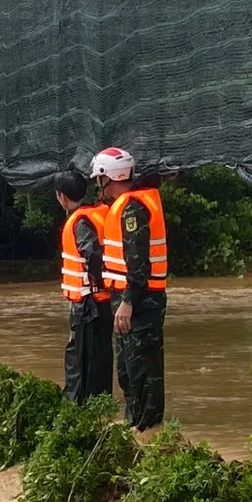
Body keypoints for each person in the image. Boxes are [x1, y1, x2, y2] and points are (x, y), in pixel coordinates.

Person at [92, 147, 168, 434]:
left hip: (139, 300)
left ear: (107, 177)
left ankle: (148, 429)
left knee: (143, 369)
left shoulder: (132, 207)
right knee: (127, 368)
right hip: (129, 299)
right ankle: (135, 426)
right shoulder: (125, 204)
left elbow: (138, 261)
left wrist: (127, 302)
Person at [55, 171, 113, 404]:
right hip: (95, 302)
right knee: (85, 358)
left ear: (62, 197)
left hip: (90, 304)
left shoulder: (80, 221)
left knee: (86, 362)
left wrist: (96, 284)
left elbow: (93, 254)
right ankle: (84, 406)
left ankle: (84, 410)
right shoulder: (98, 213)